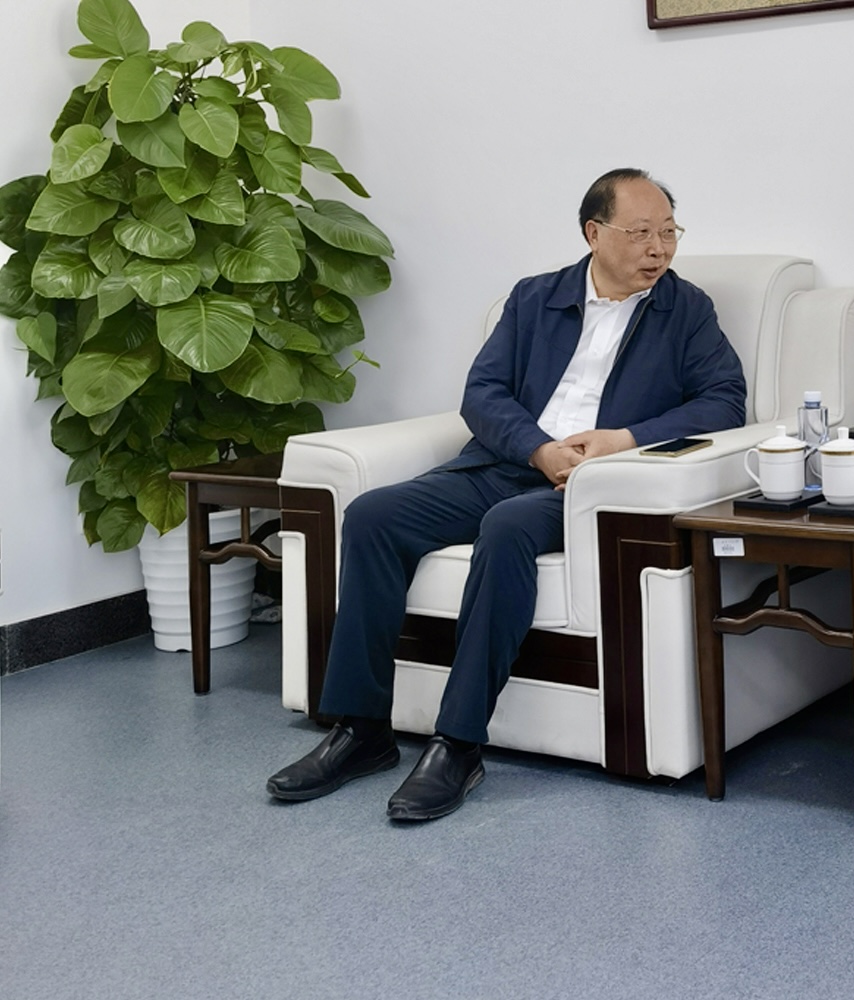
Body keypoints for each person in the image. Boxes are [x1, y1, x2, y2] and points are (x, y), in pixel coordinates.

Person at [267, 169, 746, 822]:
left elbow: (725, 400)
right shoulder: (534, 298)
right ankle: (362, 729)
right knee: (373, 515)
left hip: (589, 488)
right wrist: (537, 449)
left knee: (508, 525)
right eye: (641, 233)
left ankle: (458, 744)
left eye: (669, 232)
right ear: (594, 233)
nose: (659, 249)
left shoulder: (685, 309)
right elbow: (482, 393)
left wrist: (622, 441)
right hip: (508, 464)